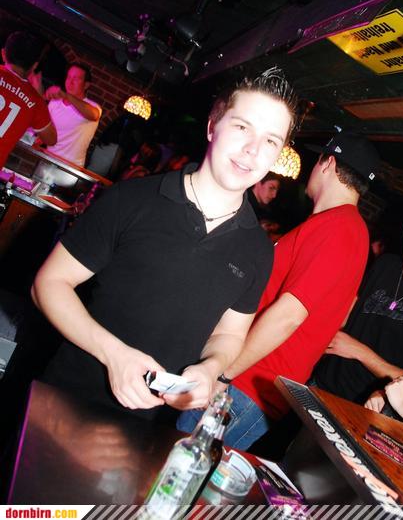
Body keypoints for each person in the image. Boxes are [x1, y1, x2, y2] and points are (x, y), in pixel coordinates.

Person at [31, 66, 297, 421]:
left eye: (270, 141)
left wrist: (211, 368)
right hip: (65, 403)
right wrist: (113, 354)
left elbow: (230, 334)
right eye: (241, 127)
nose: (252, 150)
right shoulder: (133, 198)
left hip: (153, 428)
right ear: (212, 126)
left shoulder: (259, 250)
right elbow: (49, 284)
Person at [178, 131, 380, 449]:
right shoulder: (340, 227)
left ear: (328, 164)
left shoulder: (340, 227)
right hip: (247, 379)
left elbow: (289, 315)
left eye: (317, 160)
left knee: (177, 464)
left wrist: (224, 372)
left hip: (244, 383)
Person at [311, 219, 403, 404]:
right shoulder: (386, 264)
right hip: (320, 381)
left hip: (360, 406)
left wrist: (359, 352)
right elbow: (351, 312)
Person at [0, 31, 56, 168]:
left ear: (3, 53)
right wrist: (39, 95)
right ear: (34, 66)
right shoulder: (35, 102)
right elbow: (51, 139)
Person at [45, 62, 101, 167]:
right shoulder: (54, 102)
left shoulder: (93, 106)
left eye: (76, 79)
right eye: (69, 77)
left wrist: (66, 96)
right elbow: (47, 130)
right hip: (47, 160)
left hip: (71, 168)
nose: (70, 82)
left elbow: (94, 115)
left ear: (86, 85)